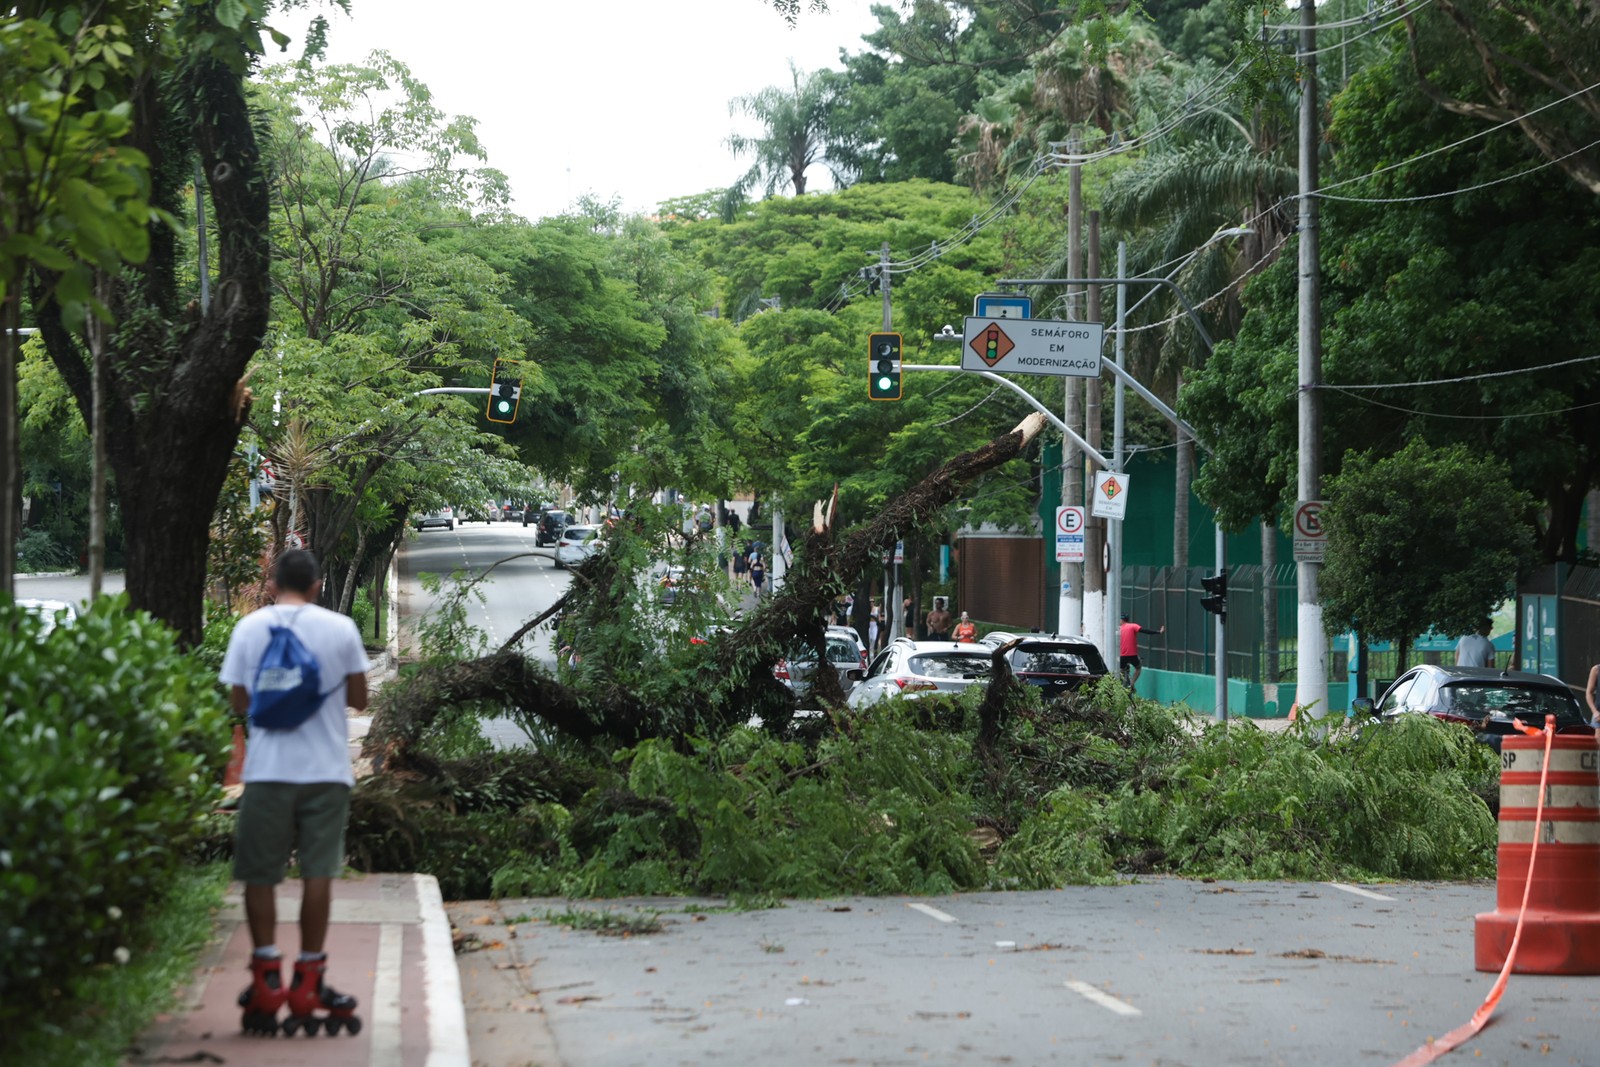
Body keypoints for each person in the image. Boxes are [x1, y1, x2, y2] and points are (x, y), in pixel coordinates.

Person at [221, 549, 370, 1037]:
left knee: (260, 875)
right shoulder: (340, 629)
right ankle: (309, 979)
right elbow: (360, 698)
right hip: (325, 772)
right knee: (318, 873)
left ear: (272, 584)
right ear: (317, 585)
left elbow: (239, 701)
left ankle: (266, 977)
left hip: (267, 773)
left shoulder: (249, 629)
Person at [1118, 613, 1164, 686]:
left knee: (1121, 670)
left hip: (1122, 655)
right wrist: (1158, 632)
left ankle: (1120, 685)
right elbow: (1145, 631)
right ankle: (1132, 683)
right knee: (1138, 668)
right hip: (1132, 655)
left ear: (1121, 620)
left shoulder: (1118, 629)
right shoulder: (1133, 626)